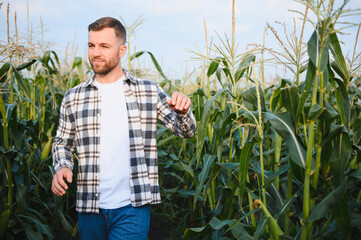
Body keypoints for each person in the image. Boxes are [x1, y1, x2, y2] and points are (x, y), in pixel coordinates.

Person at [51, 17, 196, 240]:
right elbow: (62, 143)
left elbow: (185, 131)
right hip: (89, 206)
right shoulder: (74, 97)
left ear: (122, 50)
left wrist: (183, 112)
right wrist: (62, 166)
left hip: (133, 206)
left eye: (104, 46)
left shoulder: (148, 91)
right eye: (92, 45)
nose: (95, 53)